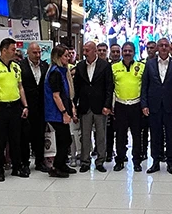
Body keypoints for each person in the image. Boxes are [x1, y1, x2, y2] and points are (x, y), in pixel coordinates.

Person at [142, 36, 172, 174]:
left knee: (171, 134)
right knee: (155, 134)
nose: (164, 48)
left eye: (166, 45)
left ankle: (170, 162)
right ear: (157, 48)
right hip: (153, 105)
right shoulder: (149, 64)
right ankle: (155, 161)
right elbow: (144, 86)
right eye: (161, 45)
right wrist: (144, 104)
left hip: (171, 106)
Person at [0, 38, 29, 180]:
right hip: (0, 107)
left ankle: (16, 167)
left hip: (15, 106)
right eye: (12, 49)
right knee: (0, 140)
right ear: (4, 50)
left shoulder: (16, 66)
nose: (15, 52)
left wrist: (25, 105)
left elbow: (20, 87)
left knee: (15, 139)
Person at [73, 40, 113, 172]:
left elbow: (109, 87)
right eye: (83, 50)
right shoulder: (80, 66)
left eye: (87, 50)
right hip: (85, 106)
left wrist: (107, 105)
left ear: (95, 51)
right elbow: (77, 87)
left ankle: (100, 161)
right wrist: (74, 105)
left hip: (100, 106)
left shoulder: (105, 66)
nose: (84, 53)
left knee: (101, 135)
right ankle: (85, 161)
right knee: (85, 135)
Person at [111, 41, 147, 172]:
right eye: (125, 50)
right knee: (120, 135)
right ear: (121, 52)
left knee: (137, 135)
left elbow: (145, 88)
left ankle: (137, 161)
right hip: (120, 105)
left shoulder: (141, 66)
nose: (127, 53)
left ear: (134, 52)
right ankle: (120, 160)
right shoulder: (114, 67)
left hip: (136, 106)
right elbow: (110, 88)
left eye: (130, 51)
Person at [44, 45, 75, 177]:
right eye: (65, 55)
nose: (68, 58)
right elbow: (56, 96)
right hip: (56, 112)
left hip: (60, 110)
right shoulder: (55, 73)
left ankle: (61, 164)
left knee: (64, 139)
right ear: (58, 57)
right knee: (65, 139)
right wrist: (64, 113)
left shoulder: (62, 71)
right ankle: (56, 167)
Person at [20, 42, 50, 172]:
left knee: (40, 135)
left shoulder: (45, 66)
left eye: (39, 52)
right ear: (28, 52)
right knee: (25, 136)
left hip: (41, 107)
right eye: (34, 53)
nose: (38, 55)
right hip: (26, 106)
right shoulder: (20, 66)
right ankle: (25, 163)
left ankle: (39, 161)